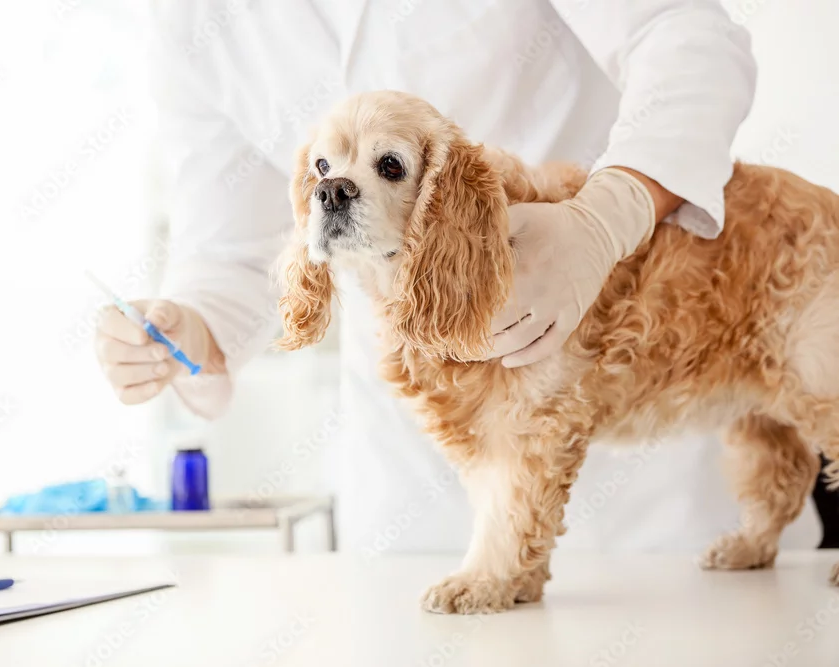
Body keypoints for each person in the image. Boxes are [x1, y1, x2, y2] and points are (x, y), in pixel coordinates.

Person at [95, 0, 823, 553]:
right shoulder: (190, 17)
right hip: (402, 500)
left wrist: (608, 215)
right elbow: (231, 248)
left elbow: (687, 37)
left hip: (642, 460)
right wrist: (189, 324)